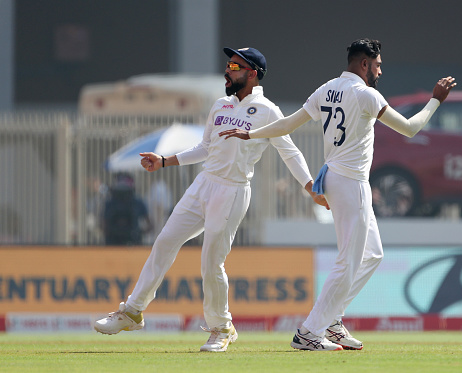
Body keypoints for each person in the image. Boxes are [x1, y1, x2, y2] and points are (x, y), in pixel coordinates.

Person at [219, 38, 456, 351]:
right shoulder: (366, 94)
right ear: (363, 64)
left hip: (335, 177)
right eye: (378, 65)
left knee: (372, 255)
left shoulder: (327, 88)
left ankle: (331, 319)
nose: (380, 71)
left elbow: (288, 123)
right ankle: (309, 333)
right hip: (350, 182)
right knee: (347, 262)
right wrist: (436, 100)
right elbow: (411, 129)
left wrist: (251, 132)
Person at [94, 46, 328, 352]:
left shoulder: (268, 111)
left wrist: (309, 184)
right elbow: (205, 147)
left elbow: (289, 151)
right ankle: (132, 312)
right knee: (165, 241)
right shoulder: (220, 105)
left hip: (232, 190)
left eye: (235, 66)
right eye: (229, 65)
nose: (228, 71)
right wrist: (165, 161)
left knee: (211, 261)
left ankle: (222, 328)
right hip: (203, 184)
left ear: (253, 74)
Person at [102, 173, 151, 245]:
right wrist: (139, 233)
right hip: (123, 242)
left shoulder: (110, 203)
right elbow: (149, 225)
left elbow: (103, 225)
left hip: (119, 242)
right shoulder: (137, 202)